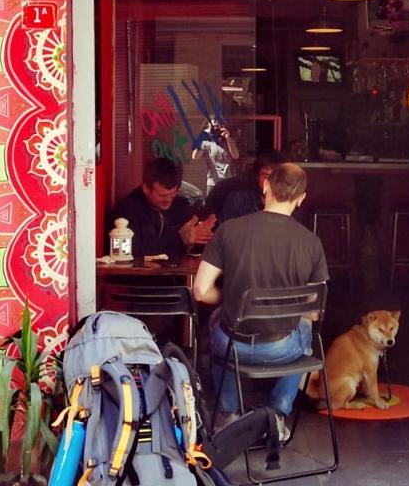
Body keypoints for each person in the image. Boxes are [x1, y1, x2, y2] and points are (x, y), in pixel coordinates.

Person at [193, 163, 328, 435]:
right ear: (301, 198)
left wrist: (232, 301)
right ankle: (277, 413)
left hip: (233, 345)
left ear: (265, 186)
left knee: (220, 319)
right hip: (282, 349)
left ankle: (226, 413)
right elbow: (314, 311)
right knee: (304, 326)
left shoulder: (229, 230)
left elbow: (200, 290)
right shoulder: (311, 242)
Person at [109, 157, 216, 258]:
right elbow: (132, 251)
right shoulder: (127, 211)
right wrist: (179, 239)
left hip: (178, 274)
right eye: (162, 195)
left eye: (173, 194)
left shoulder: (180, 205)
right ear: (146, 189)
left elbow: (191, 240)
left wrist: (201, 238)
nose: (168, 200)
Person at [212, 148, 285, 224]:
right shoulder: (238, 201)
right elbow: (226, 232)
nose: (270, 182)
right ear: (257, 177)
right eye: (266, 177)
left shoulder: (288, 203)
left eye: (276, 177)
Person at [192, 118, 240, 196]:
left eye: (218, 126)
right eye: (213, 127)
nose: (216, 129)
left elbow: (236, 155)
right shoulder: (206, 142)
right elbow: (195, 157)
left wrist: (227, 138)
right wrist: (202, 136)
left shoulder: (228, 141)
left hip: (227, 181)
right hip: (213, 182)